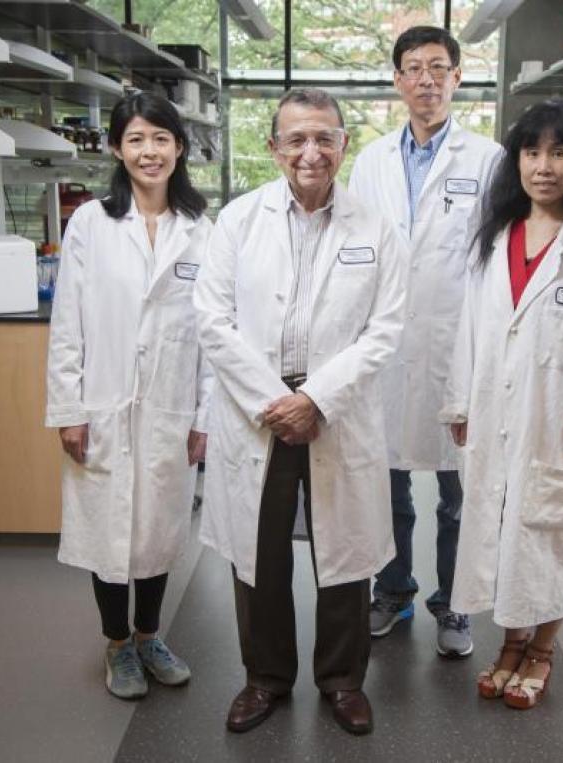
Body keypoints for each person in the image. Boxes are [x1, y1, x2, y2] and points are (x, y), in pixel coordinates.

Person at [195, 88, 406, 736]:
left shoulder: (376, 226)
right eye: (296, 139)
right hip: (258, 410)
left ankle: (342, 681)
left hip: (334, 410)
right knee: (257, 553)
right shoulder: (237, 220)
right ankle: (265, 677)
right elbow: (212, 317)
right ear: (274, 148)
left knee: (343, 554)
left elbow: (387, 326)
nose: (310, 152)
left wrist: (316, 398)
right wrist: (275, 400)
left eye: (324, 137)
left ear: (344, 144)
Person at [440, 100, 563, 710]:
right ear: (516, 161)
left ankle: (542, 650)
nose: (543, 166)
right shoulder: (496, 238)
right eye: (532, 152)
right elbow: (469, 329)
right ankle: (510, 641)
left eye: (558, 152)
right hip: (496, 418)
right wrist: (460, 403)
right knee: (504, 531)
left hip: (560, 424)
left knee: (553, 534)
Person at [45, 92, 212, 701]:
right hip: (105, 403)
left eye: (161, 139)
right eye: (137, 139)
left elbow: (213, 334)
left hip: (169, 405)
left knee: (160, 529)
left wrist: (205, 416)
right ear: (117, 147)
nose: (150, 151)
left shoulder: (200, 229)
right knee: (108, 529)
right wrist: (68, 409)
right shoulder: (91, 222)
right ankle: (117, 644)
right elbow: (68, 323)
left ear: (179, 148)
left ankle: (150, 635)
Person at [349, 25, 502, 657]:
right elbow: (356, 255)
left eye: (439, 68)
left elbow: (495, 258)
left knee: (457, 489)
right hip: (385, 345)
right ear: (397, 81)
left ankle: (455, 604)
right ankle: (393, 591)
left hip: (456, 345)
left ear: (458, 78)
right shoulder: (371, 160)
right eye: (413, 68)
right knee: (387, 485)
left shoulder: (488, 159)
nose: (426, 80)